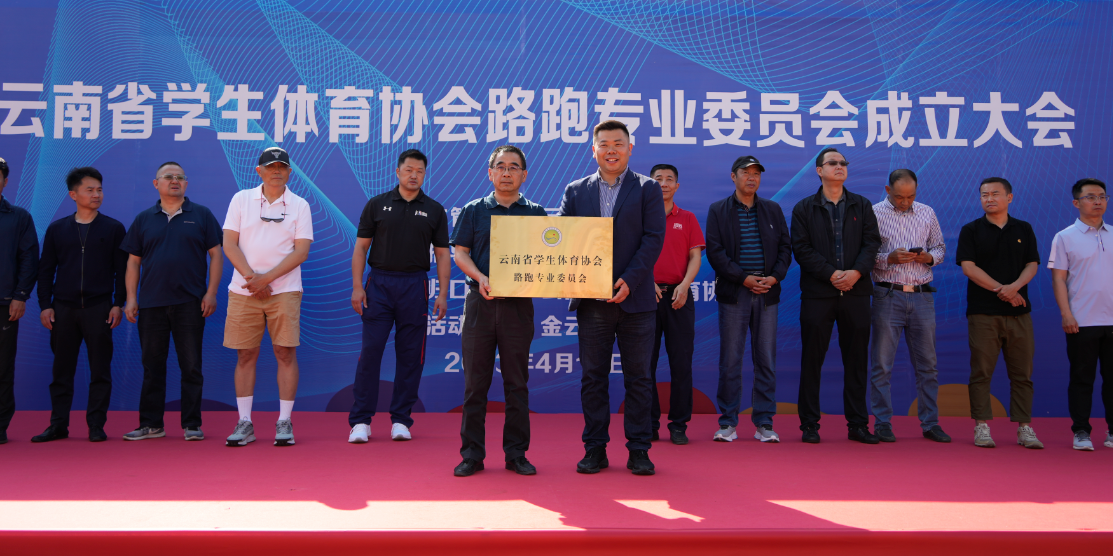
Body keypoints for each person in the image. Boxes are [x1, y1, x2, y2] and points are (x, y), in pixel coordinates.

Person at [558, 120, 665, 476]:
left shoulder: (648, 188)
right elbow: (563, 239)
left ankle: (639, 449)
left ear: (630, 148)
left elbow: (653, 238)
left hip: (636, 301)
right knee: (593, 377)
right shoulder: (576, 191)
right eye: (604, 144)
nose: (611, 150)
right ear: (594, 150)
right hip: (592, 302)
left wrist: (630, 280)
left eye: (618, 143)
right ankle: (595, 448)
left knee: (639, 378)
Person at [450, 145, 547, 477]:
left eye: (513, 167)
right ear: (490, 173)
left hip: (518, 306)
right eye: (501, 166)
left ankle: (516, 454)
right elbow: (460, 252)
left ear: (524, 174)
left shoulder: (535, 213)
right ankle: (472, 454)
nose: (507, 173)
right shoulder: (474, 210)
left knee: (517, 384)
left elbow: (548, 257)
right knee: (475, 384)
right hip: (480, 303)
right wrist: (481, 277)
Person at [348, 149, 449, 443]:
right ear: (398, 172)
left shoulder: (434, 210)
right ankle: (360, 421)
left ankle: (401, 420)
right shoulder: (377, 204)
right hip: (378, 285)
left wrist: (442, 293)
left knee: (410, 356)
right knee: (370, 353)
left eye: (419, 171)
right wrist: (357, 286)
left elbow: (443, 255)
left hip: (414, 286)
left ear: (425, 174)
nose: (413, 175)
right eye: (408, 170)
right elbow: (361, 248)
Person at [121, 161, 223, 441]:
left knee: (191, 366)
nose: (174, 180)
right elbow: (133, 262)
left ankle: (191, 424)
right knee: (152, 367)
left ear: (186, 184)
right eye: (168, 176)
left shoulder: (201, 215)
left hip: (190, 303)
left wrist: (211, 292)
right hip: (151, 304)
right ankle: (151, 424)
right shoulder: (144, 219)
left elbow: (216, 255)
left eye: (180, 177)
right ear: (156, 184)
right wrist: (131, 298)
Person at [221, 147, 313, 447]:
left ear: (289, 172)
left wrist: (267, 279)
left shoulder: (300, 205)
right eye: (271, 166)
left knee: (285, 352)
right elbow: (229, 244)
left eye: (282, 167)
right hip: (244, 290)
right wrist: (253, 279)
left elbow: (301, 251)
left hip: (284, 291)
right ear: (258, 171)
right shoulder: (241, 199)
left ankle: (284, 421)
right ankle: (244, 422)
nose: (276, 171)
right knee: (245, 354)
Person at [790, 147, 881, 444]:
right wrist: (831, 274)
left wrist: (855, 273)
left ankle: (857, 425)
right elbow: (801, 249)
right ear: (819, 170)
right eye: (833, 163)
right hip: (818, 294)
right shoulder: (804, 208)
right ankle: (809, 425)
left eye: (843, 163)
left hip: (856, 292)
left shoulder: (861, 205)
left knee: (856, 361)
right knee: (812, 360)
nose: (840, 166)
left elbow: (872, 244)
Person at [33, 167, 126, 443]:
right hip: (63, 309)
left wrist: (117, 303)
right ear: (73, 195)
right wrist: (45, 305)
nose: (96, 194)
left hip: (99, 308)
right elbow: (45, 270)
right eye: (90, 190)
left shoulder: (113, 228)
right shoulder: (57, 229)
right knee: (61, 371)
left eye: (99, 190)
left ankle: (96, 425)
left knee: (100, 371)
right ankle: (58, 425)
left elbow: (122, 271)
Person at [705, 155, 791, 444]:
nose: (752, 178)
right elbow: (715, 252)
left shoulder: (772, 209)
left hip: (767, 293)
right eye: (746, 173)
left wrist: (774, 277)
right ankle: (728, 422)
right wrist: (743, 278)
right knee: (731, 360)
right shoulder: (718, 210)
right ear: (734, 176)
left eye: (756, 173)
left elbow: (785, 248)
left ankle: (764, 422)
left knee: (766, 359)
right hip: (735, 294)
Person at [956, 177, 1042, 449]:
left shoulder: (1023, 228)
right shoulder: (971, 230)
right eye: (984, 194)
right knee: (981, 371)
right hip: (983, 313)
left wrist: (1014, 288)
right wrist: (1001, 290)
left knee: (1022, 373)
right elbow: (969, 268)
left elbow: (1032, 264)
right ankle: (981, 426)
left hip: (1019, 314)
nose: (989, 198)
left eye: (995, 193)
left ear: (1009, 197)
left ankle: (1024, 427)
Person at [869, 169, 950, 443]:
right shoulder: (873, 213)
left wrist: (929, 258)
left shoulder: (927, 212)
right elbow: (864, 254)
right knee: (882, 365)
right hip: (887, 294)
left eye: (911, 196)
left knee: (928, 365)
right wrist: (888, 258)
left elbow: (940, 248)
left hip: (922, 296)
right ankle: (882, 423)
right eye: (899, 197)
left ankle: (930, 423)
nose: (905, 202)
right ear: (887, 190)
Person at [1048, 178, 1112, 451]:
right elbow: (1059, 279)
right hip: (1081, 321)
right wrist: (1066, 314)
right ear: (1076, 202)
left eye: (1102, 196)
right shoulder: (1065, 237)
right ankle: (1081, 431)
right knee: (1082, 379)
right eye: (1090, 197)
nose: (1098, 201)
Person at [646, 163, 704, 446]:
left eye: (670, 179)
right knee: (645, 364)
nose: (664, 183)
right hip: (646, 295)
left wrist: (684, 285)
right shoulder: (640, 217)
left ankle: (679, 424)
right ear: (650, 184)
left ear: (677, 186)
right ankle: (649, 423)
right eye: (658, 179)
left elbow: (695, 256)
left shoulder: (688, 218)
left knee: (681, 363)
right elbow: (632, 254)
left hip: (680, 296)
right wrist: (646, 281)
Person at [0, 156, 38, 445]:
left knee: (2, 367)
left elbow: (29, 259)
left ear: (5, 181)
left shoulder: (19, 217)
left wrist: (20, 296)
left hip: (5, 304)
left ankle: (0, 425)